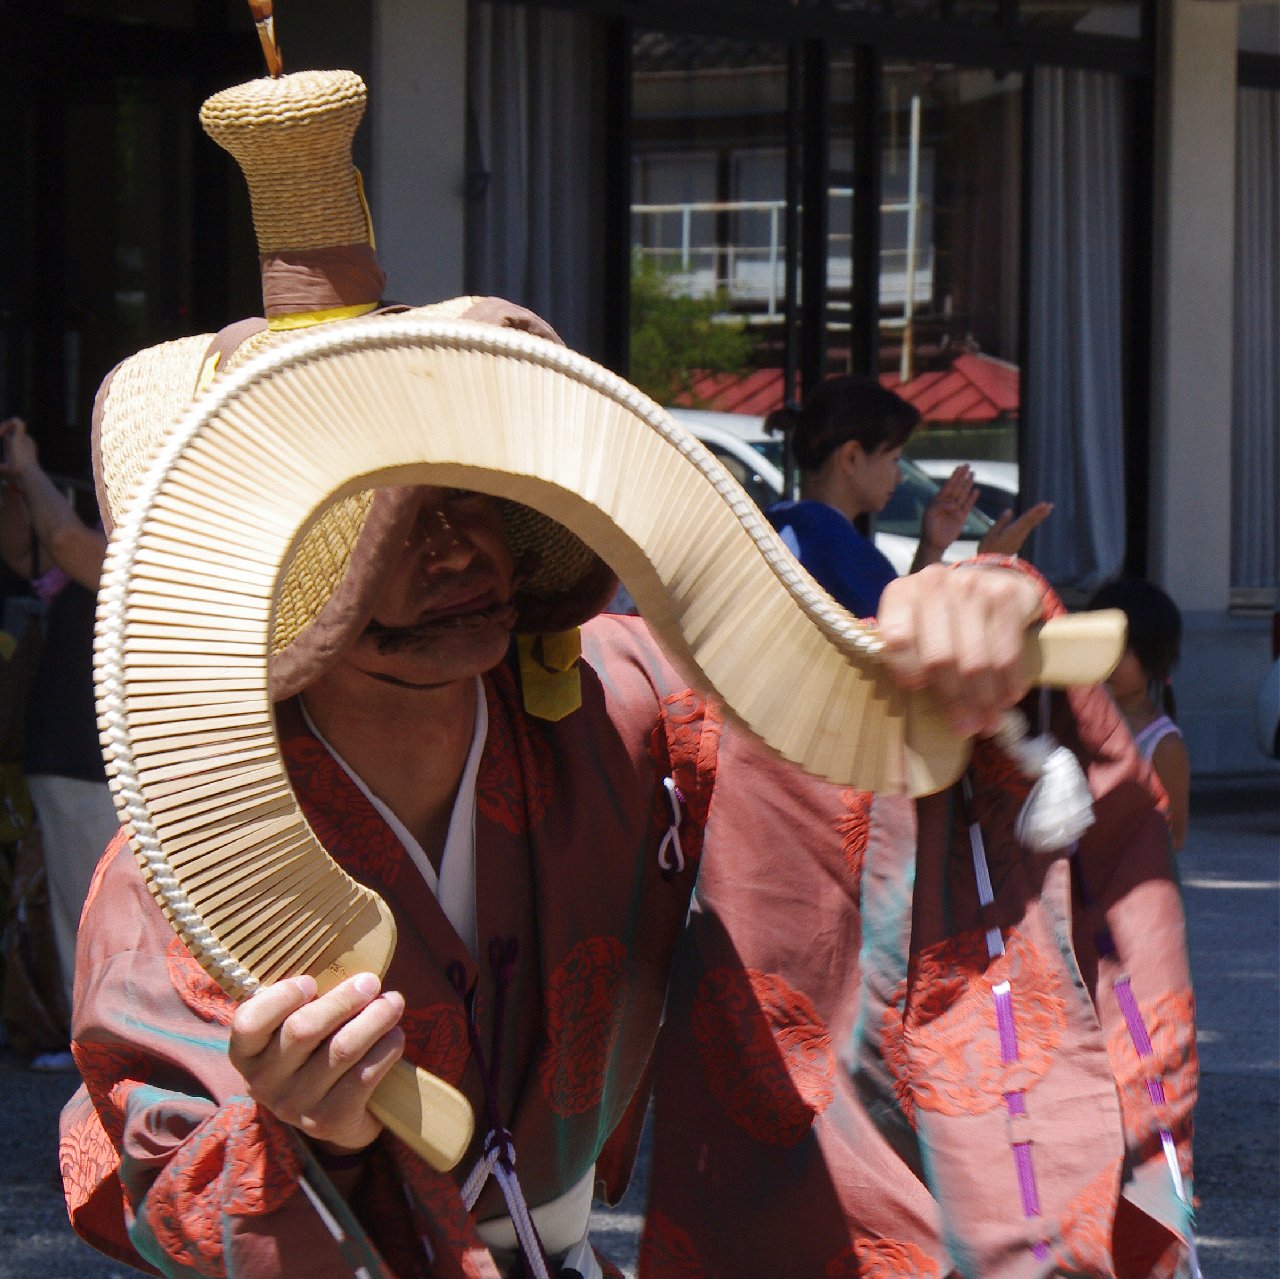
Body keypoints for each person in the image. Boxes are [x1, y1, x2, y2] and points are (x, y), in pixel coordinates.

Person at [59, 66, 1196, 1279]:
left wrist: (957, 643)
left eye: (472, 493)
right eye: (378, 528)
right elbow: (160, 1172)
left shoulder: (621, 704)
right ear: (272, 584)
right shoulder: (192, 857)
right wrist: (315, 1135)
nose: (454, 544)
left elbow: (844, 764)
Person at [0, 416, 116, 1070]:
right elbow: (28, 551)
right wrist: (15, 488)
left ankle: (111, 1047)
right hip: (72, 754)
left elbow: (69, 544)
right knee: (83, 910)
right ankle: (96, 1048)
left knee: (104, 912)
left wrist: (30, 468)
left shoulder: (157, 539)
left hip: (101, 756)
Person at [764, 376, 1053, 617]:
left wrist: (932, 547)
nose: (899, 476)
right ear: (851, 458)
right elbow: (911, 643)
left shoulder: (778, 523)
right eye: (894, 459)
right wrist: (990, 564)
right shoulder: (836, 545)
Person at [1088, 577, 1191, 851]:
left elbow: (1175, 836)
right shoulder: (1076, 718)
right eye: (1098, 646)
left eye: (1121, 651)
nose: (1107, 662)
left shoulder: (1164, 745)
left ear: (1153, 656)